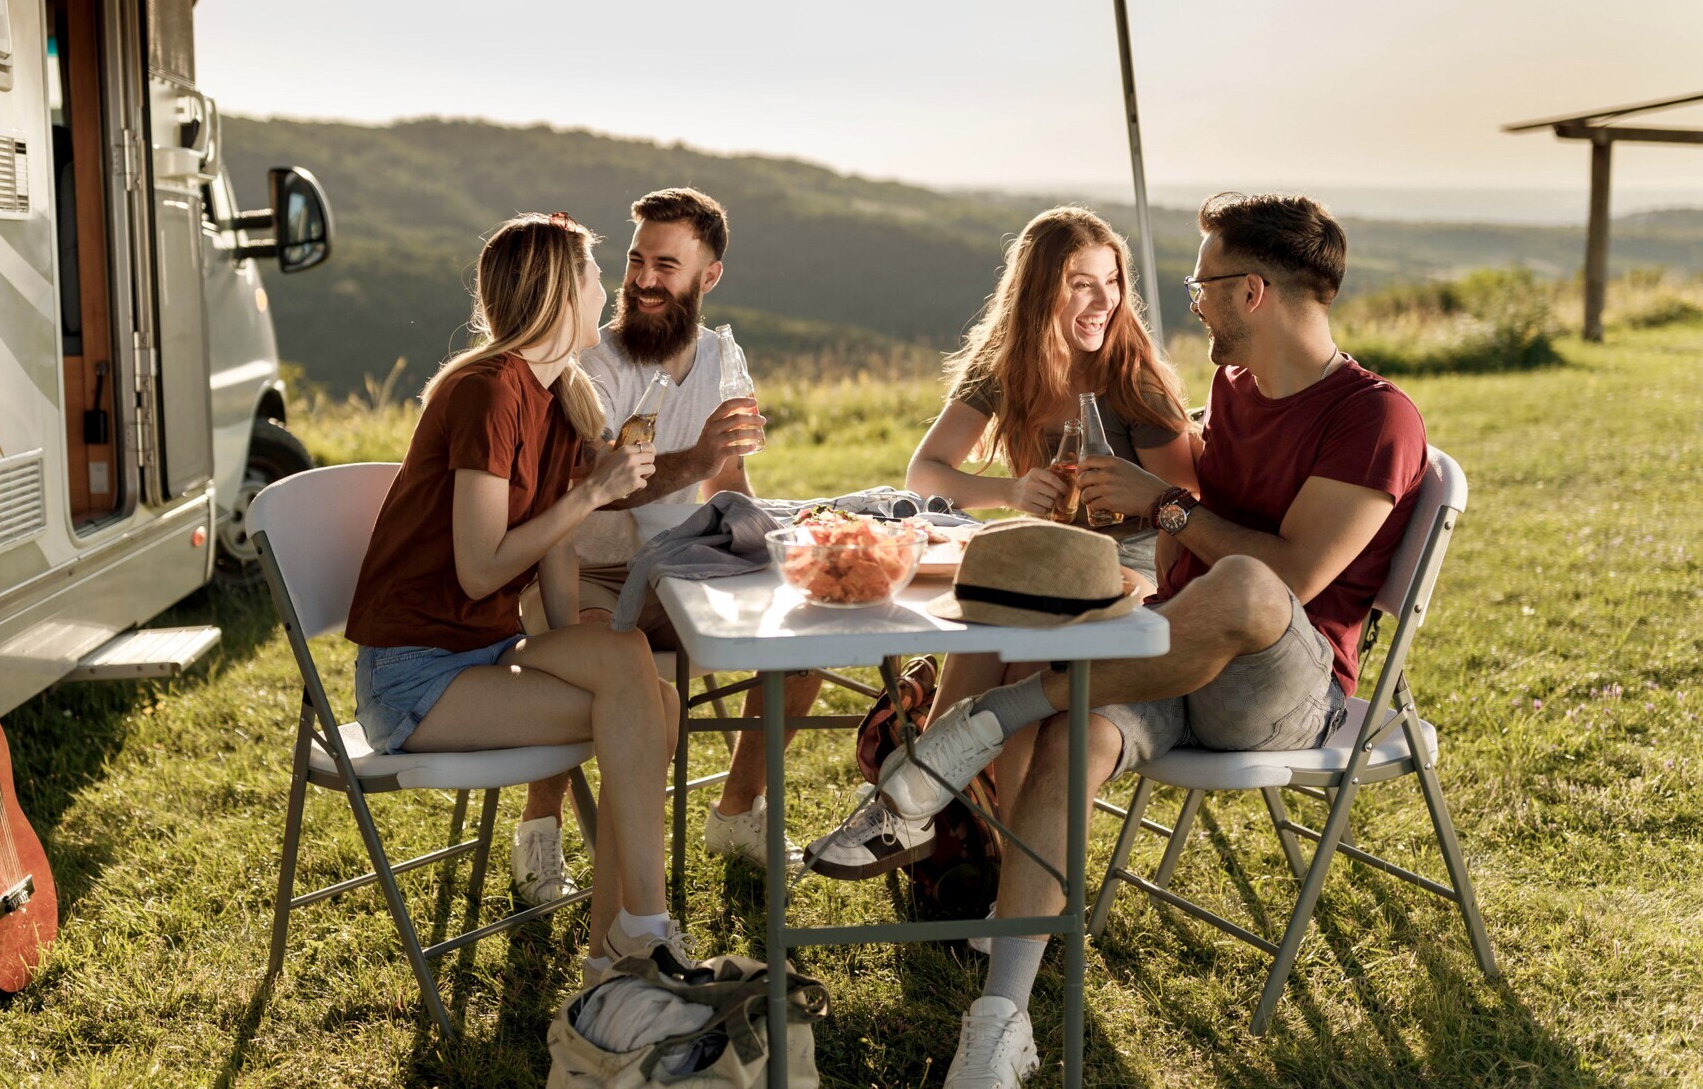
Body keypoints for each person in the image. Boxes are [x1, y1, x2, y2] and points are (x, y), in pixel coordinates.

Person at [872, 193, 1428, 1087]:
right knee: (1067, 738)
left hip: (1284, 690)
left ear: (1252, 292)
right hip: (1173, 668)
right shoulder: (1233, 390)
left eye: (1203, 284)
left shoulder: (1375, 418)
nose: (1191, 301)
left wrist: (1163, 505)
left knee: (1242, 582)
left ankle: (985, 721)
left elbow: (1292, 579)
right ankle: (1000, 1019)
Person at [345, 212, 692, 982]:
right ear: (557, 291)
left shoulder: (561, 395)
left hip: (486, 652)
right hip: (413, 675)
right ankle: (636, 941)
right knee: (640, 708)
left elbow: (557, 550)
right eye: (595, 275)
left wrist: (584, 657)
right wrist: (593, 492)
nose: (611, 289)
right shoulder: (487, 391)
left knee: (639, 681)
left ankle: (622, 948)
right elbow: (480, 568)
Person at [808, 206, 1198, 880]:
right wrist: (1010, 494)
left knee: (1015, 655)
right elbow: (925, 472)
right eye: (1082, 282)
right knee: (992, 620)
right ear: (1041, 288)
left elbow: (1186, 510)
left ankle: (954, 828)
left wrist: (1133, 497)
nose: (1103, 300)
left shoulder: (1132, 380)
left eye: (1112, 281)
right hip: (1048, 567)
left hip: (1137, 572)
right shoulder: (1007, 369)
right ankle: (966, 836)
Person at [512, 188, 825, 903]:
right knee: (589, 652)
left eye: (666, 266)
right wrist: (693, 460)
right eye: (636, 261)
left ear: (707, 278)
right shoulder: (594, 362)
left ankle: (738, 811)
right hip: (580, 569)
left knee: (803, 639)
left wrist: (760, 534)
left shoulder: (721, 359)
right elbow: (594, 485)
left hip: (676, 573)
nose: (645, 281)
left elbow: (730, 481)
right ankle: (539, 830)